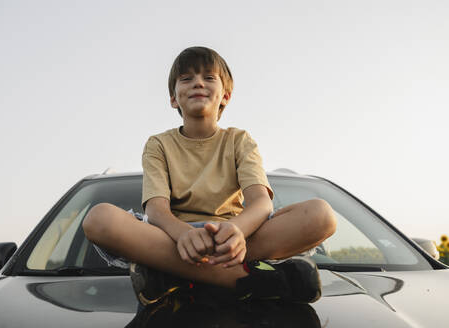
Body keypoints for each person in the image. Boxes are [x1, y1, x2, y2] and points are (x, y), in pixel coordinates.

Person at [82, 46, 336, 307]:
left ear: (225, 95)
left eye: (209, 77)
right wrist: (183, 235)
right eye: (187, 78)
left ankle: (170, 273)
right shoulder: (158, 144)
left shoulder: (240, 140)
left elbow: (261, 203)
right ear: (173, 98)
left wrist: (236, 230)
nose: (198, 83)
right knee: (99, 219)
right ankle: (253, 281)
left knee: (321, 215)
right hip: (172, 239)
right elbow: (156, 209)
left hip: (237, 238)